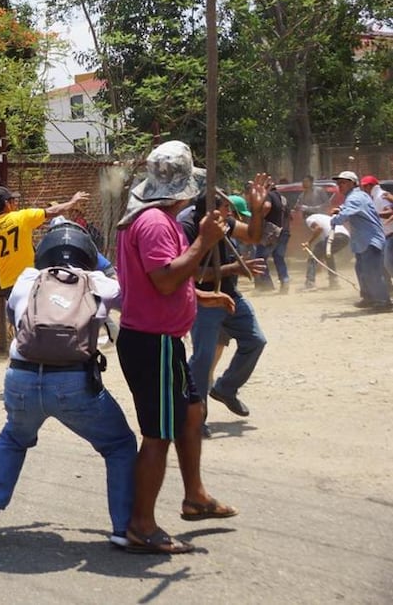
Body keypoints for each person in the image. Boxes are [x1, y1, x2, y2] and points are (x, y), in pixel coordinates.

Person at [0, 223, 137, 547]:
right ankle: (122, 528)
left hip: (21, 378)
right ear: (87, 254)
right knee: (119, 445)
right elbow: (132, 306)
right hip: (74, 383)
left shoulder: (28, 279)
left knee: (15, 436)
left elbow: (13, 318)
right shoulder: (98, 282)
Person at [114, 141, 238, 554]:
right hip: (153, 344)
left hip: (161, 340)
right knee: (158, 434)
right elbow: (165, 278)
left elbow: (159, 283)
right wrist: (203, 242)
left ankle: (195, 496)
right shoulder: (152, 223)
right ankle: (141, 525)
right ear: (183, 188)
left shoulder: (152, 219)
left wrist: (200, 297)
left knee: (191, 413)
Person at [178, 184, 268, 425]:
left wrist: (257, 212)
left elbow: (253, 235)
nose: (230, 212)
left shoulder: (224, 222)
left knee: (255, 341)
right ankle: (195, 416)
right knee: (203, 359)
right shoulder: (187, 228)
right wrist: (235, 268)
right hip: (204, 301)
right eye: (226, 206)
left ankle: (225, 389)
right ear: (212, 210)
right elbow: (190, 273)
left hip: (229, 295)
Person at [0, 185, 89, 296]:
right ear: (7, 204)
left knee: (18, 311)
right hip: (28, 280)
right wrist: (71, 202)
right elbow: (51, 211)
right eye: (13, 201)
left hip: (7, 284)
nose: (15, 204)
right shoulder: (21, 217)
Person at [330, 171, 392, 310]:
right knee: (362, 270)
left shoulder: (355, 197)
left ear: (353, 183)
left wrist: (335, 219)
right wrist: (339, 209)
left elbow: (346, 213)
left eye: (343, 183)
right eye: (339, 183)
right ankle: (369, 298)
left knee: (372, 272)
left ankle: (383, 302)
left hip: (370, 240)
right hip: (362, 241)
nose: (340, 186)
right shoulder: (356, 196)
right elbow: (347, 208)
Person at [254, 178, 291, 293]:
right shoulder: (283, 198)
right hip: (284, 231)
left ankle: (266, 285)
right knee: (279, 258)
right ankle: (285, 280)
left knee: (259, 258)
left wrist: (258, 217)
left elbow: (266, 207)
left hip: (271, 232)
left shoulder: (268, 195)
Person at [301, 212, 350, 290]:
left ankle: (310, 283)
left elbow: (318, 228)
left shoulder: (309, 218)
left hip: (334, 236)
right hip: (345, 237)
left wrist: (309, 242)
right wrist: (320, 261)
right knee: (328, 255)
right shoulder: (324, 217)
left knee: (312, 257)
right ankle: (334, 282)